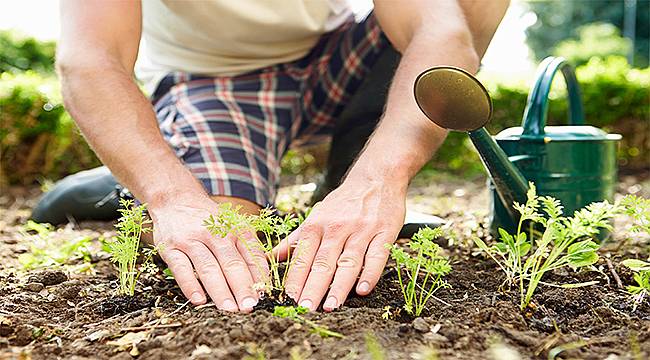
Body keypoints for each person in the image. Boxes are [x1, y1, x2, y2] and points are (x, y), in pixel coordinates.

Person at [42, 0, 509, 313]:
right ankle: (142, 172)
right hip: (217, 81)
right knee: (224, 236)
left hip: (337, 60)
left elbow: (440, 30)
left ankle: (347, 183)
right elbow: (90, 60)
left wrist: (380, 180)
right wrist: (170, 197)